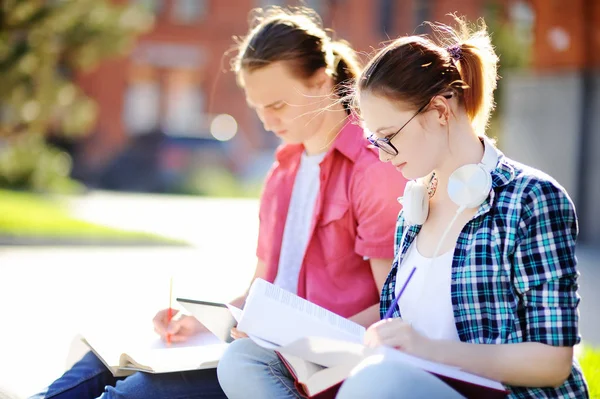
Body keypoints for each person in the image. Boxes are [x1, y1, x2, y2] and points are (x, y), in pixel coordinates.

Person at [31, 6, 405, 399]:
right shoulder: (283, 172)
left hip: (303, 367)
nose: (265, 121)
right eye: (257, 107)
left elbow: (392, 307)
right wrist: (202, 322)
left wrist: (292, 334)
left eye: (276, 106)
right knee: (98, 361)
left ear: (320, 81)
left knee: (130, 394)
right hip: (252, 345)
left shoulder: (372, 168)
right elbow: (260, 292)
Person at [332, 16, 589, 399]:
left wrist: (429, 351)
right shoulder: (413, 211)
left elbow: (552, 362)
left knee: (375, 384)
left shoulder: (531, 199)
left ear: (439, 111)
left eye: (388, 137)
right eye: (374, 141)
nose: (383, 157)